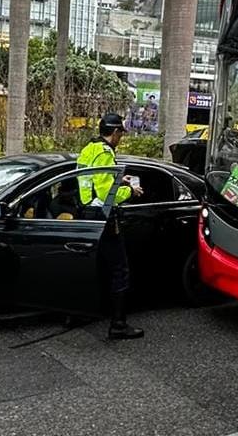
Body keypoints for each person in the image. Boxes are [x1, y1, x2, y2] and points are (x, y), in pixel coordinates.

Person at [77, 113, 145, 340]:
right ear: (115, 133)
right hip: (104, 216)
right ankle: (118, 324)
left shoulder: (89, 149)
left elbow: (94, 180)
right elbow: (108, 194)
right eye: (120, 134)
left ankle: (77, 312)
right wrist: (130, 191)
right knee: (120, 269)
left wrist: (119, 179)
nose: (120, 139)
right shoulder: (106, 153)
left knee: (93, 265)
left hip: (87, 212)